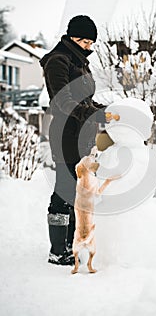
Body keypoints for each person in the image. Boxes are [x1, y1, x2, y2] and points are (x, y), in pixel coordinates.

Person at [40, 15, 106, 265]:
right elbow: (62, 102)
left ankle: (69, 245)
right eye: (84, 41)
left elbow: (85, 101)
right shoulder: (58, 61)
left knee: (76, 191)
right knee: (65, 190)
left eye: (91, 43)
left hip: (82, 134)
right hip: (66, 134)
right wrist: (94, 113)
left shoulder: (78, 61)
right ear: (71, 37)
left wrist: (104, 110)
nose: (88, 47)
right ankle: (58, 251)